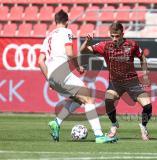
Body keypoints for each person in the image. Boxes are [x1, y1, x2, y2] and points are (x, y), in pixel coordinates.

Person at [38, 9, 117, 143]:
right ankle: (99, 136)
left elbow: (40, 61)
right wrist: (78, 67)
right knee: (89, 99)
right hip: (61, 73)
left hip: (51, 75)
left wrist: (49, 80)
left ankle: (56, 122)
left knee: (78, 99)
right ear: (67, 21)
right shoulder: (67, 32)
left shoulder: (48, 37)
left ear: (55, 21)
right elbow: (69, 53)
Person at [80, 22, 152, 140]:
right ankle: (114, 124)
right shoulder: (105, 46)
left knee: (148, 105)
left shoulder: (132, 44)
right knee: (108, 100)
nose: (114, 39)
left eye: (117, 36)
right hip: (115, 83)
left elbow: (142, 57)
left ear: (122, 34)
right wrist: (87, 41)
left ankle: (143, 126)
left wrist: (145, 75)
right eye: (112, 36)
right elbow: (83, 51)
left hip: (132, 82)